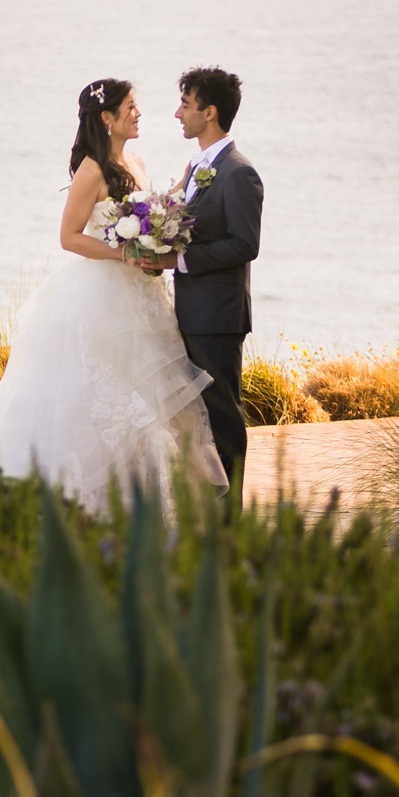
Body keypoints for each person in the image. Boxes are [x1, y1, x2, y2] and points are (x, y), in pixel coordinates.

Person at [0, 77, 226, 510]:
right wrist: (122, 255)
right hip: (102, 295)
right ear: (107, 118)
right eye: (131, 107)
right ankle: (89, 499)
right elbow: (69, 237)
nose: (139, 113)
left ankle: (146, 501)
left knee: (152, 395)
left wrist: (171, 203)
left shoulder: (135, 160)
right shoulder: (91, 170)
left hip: (144, 298)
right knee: (106, 395)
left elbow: (145, 210)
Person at [135, 67, 261, 504]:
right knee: (199, 419)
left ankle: (231, 522)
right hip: (191, 312)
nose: (177, 114)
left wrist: (177, 260)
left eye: (185, 105)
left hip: (217, 319)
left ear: (209, 113)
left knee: (223, 419)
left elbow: (245, 245)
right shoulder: (198, 168)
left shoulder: (238, 173)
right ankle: (208, 511)